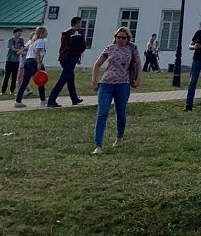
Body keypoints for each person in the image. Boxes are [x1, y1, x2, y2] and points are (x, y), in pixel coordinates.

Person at [90, 25, 141, 155]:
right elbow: (97, 64)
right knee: (102, 113)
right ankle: (98, 145)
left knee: (121, 112)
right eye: (118, 37)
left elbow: (138, 63)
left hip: (123, 84)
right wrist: (95, 81)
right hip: (106, 84)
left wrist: (138, 78)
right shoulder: (110, 48)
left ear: (128, 38)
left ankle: (119, 137)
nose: (120, 40)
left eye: (123, 38)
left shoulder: (132, 48)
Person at [47, 16, 87, 108]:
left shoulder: (67, 32)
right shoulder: (76, 32)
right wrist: (77, 55)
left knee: (70, 78)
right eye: (80, 22)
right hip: (70, 57)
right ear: (77, 23)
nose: (81, 24)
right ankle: (51, 100)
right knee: (63, 79)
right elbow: (78, 45)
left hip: (64, 57)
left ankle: (74, 98)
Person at [15, 26, 49, 108]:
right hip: (34, 61)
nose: (47, 33)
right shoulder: (41, 41)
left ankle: (18, 101)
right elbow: (37, 52)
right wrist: (39, 64)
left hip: (28, 61)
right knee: (41, 80)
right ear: (41, 33)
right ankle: (43, 100)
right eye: (46, 32)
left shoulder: (33, 41)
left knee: (25, 82)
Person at [1, 27, 25, 95]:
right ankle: (3, 90)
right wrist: (21, 50)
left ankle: (12, 90)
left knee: (14, 76)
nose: (19, 34)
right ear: (14, 33)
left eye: (20, 33)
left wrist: (23, 49)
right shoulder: (11, 40)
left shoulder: (21, 40)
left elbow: (23, 47)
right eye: (18, 33)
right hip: (10, 60)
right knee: (7, 76)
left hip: (16, 60)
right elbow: (13, 49)